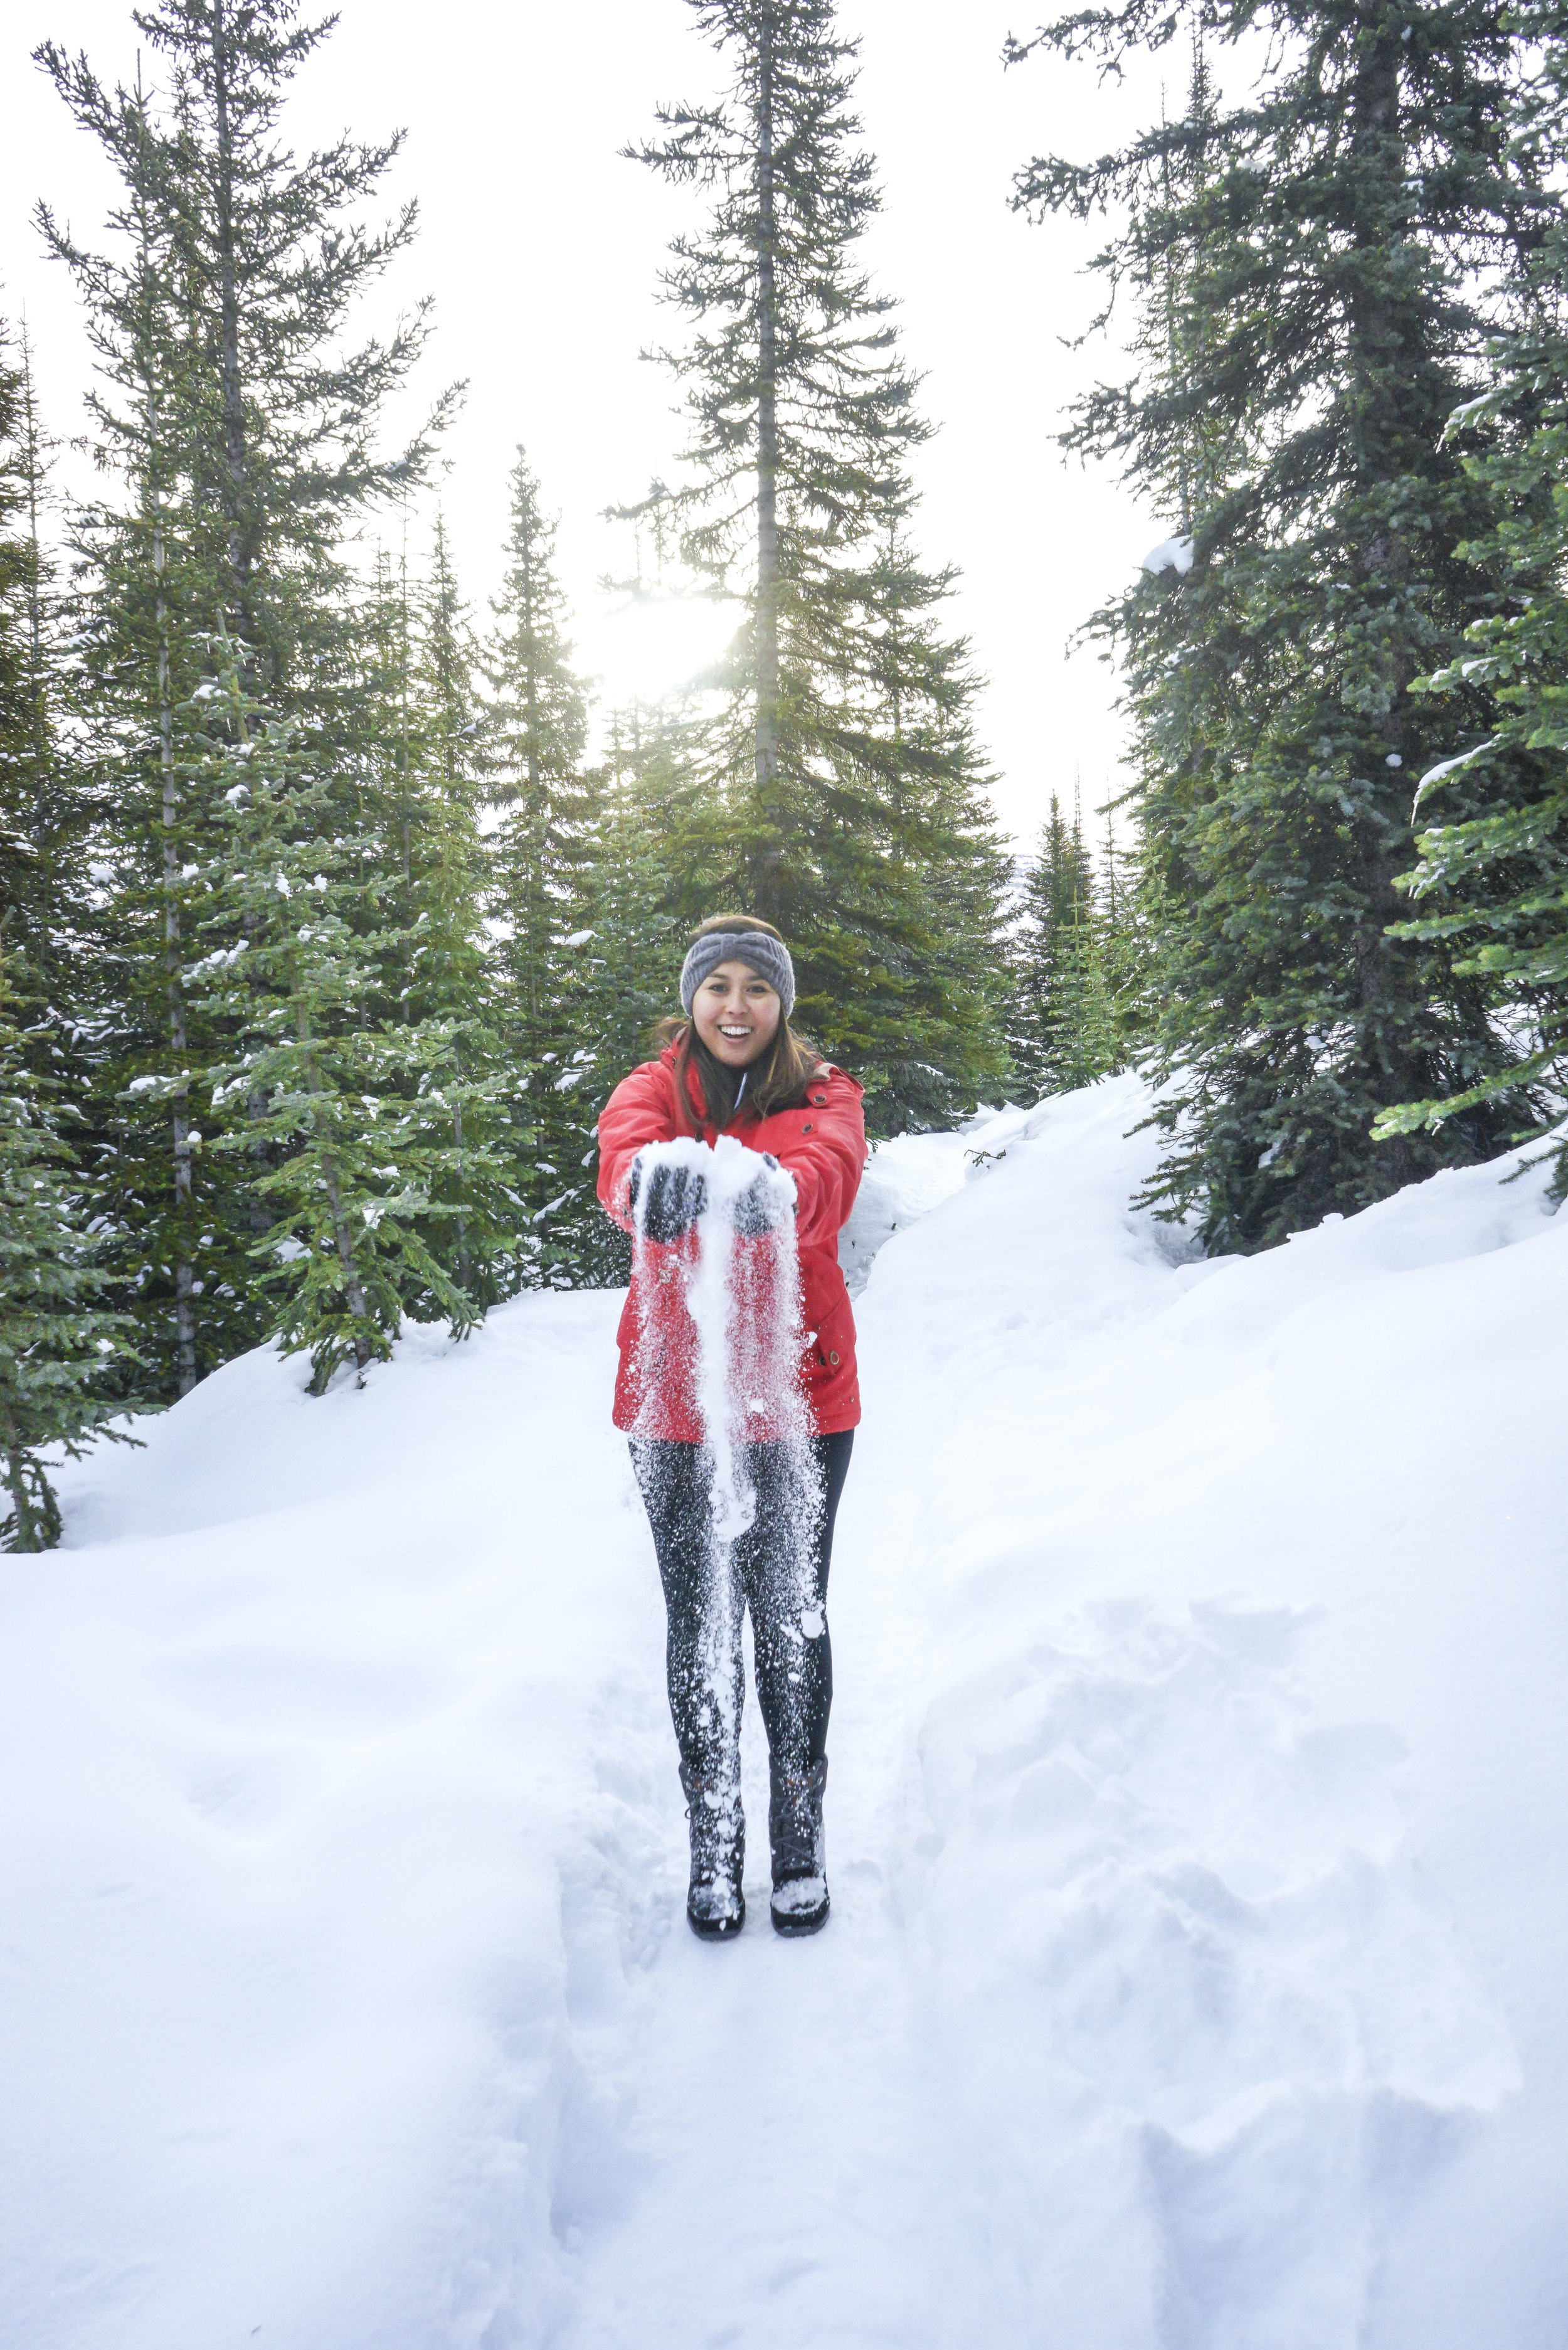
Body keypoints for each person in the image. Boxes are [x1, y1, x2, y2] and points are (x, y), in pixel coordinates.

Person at [596, 914, 867, 1941]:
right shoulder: (653, 1088)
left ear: (783, 1004)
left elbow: (831, 1172)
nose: (737, 1006)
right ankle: (715, 1842)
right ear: (694, 999)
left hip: (802, 1401)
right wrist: (642, 1184)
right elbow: (622, 1156)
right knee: (700, 1621)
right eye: (720, 987)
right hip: (674, 1416)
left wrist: (780, 1190)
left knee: (792, 1615)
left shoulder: (824, 1092)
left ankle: (798, 1840)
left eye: (758, 987)